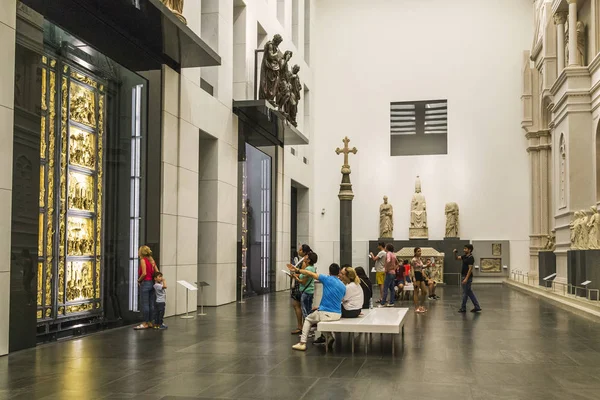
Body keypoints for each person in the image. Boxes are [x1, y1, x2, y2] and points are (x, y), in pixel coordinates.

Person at [289, 263, 346, 351]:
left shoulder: (326, 279)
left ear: (329, 272)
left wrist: (297, 270)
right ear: (338, 272)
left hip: (326, 313)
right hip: (338, 314)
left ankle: (302, 343)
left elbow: (310, 273)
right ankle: (329, 337)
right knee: (319, 319)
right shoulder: (343, 285)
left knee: (308, 319)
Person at [134, 245, 159, 330]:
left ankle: (145, 322)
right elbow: (157, 272)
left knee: (145, 304)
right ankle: (150, 322)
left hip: (145, 283)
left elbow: (144, 273)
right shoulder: (152, 260)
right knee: (151, 303)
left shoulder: (143, 260)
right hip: (152, 283)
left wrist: (139, 280)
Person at [290, 244, 312, 334]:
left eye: (300, 250)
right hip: (301, 286)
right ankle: (303, 326)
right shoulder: (304, 260)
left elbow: (303, 275)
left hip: (300, 286)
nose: (298, 252)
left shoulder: (304, 262)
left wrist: (295, 275)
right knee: (301, 306)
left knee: (299, 306)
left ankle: (302, 327)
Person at [454, 245, 481, 313]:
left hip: (467, 277)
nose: (464, 250)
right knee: (469, 292)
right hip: (464, 276)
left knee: (465, 293)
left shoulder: (471, 258)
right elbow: (457, 258)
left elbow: (470, 269)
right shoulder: (465, 256)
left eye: (465, 249)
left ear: (469, 250)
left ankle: (463, 308)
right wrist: (455, 253)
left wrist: (466, 278)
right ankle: (477, 307)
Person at [295, 252, 317, 320]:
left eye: (306, 257)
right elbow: (303, 276)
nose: (304, 257)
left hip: (306, 292)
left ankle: (307, 328)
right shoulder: (312, 268)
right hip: (309, 292)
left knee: (305, 312)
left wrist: (296, 278)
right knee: (308, 310)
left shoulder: (308, 269)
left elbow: (303, 282)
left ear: (309, 260)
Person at [411, 247, 430, 313]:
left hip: (420, 275)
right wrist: (414, 279)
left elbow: (422, 267)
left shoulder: (420, 259)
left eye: (420, 251)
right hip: (416, 275)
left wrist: (427, 265)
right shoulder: (413, 260)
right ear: (415, 252)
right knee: (416, 292)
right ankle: (416, 308)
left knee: (424, 291)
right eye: (418, 251)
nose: (420, 252)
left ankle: (421, 306)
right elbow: (412, 269)